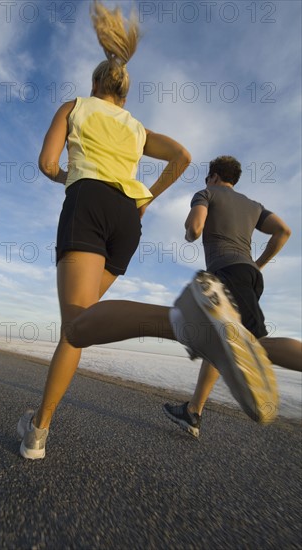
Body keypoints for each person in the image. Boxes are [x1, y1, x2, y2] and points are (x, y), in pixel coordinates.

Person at [17, 0, 192, 459]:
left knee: (75, 325)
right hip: (126, 220)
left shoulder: (74, 107)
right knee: (79, 326)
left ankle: (178, 321)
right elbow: (183, 157)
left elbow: (46, 164)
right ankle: (37, 428)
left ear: (95, 84)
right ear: (125, 95)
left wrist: (68, 178)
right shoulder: (136, 127)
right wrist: (147, 197)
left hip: (89, 204)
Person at [162, 155, 302, 438]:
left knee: (255, 343)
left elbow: (195, 229)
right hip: (248, 275)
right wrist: (258, 264)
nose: (206, 182)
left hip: (227, 273)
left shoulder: (206, 193)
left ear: (213, 176)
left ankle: (194, 411)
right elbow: (283, 231)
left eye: (207, 178)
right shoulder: (254, 206)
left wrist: (190, 231)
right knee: (221, 340)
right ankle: (193, 412)